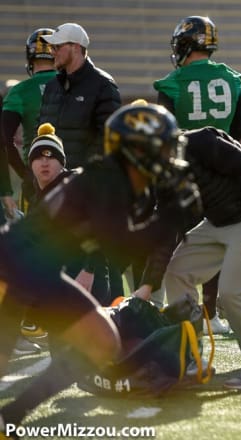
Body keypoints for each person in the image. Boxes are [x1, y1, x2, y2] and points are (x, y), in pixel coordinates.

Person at [0, 102, 195, 431]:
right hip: (13, 264)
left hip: (39, 272)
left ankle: (10, 419)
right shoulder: (108, 180)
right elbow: (121, 244)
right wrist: (170, 218)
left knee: (102, 341)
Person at [163, 126, 241, 391]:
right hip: (218, 218)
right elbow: (166, 225)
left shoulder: (200, 141)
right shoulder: (155, 170)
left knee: (232, 294)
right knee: (176, 272)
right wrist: (148, 283)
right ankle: (192, 357)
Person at [154, 15, 241, 334]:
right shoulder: (233, 79)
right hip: (224, 172)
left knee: (181, 242)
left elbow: (163, 133)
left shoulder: (171, 82)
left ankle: (179, 306)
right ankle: (211, 312)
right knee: (216, 241)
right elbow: (240, 131)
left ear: (187, 45)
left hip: (185, 171)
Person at [39, 22, 124, 297]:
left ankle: (114, 326)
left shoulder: (103, 85)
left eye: (57, 47)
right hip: (55, 189)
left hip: (89, 191)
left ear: (75, 48)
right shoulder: (52, 86)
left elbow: (109, 144)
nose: (52, 52)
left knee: (98, 263)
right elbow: (42, 136)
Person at [25, 123, 111, 305]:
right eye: (38, 157)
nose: (45, 162)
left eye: (51, 157)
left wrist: (89, 271)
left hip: (85, 280)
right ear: (31, 163)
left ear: (62, 162)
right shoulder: (36, 200)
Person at [1, 28, 57, 220]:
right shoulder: (73, 85)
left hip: (36, 178)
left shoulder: (20, 91)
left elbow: (4, 140)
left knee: (34, 242)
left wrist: (25, 174)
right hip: (74, 178)